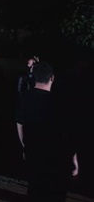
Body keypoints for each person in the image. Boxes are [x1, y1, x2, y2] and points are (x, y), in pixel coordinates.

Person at [16, 61, 79, 201]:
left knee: (35, 189)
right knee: (55, 192)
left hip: (34, 153)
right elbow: (68, 134)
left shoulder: (24, 98)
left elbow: (20, 126)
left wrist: (25, 147)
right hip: (56, 158)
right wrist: (74, 159)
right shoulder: (59, 101)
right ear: (52, 78)